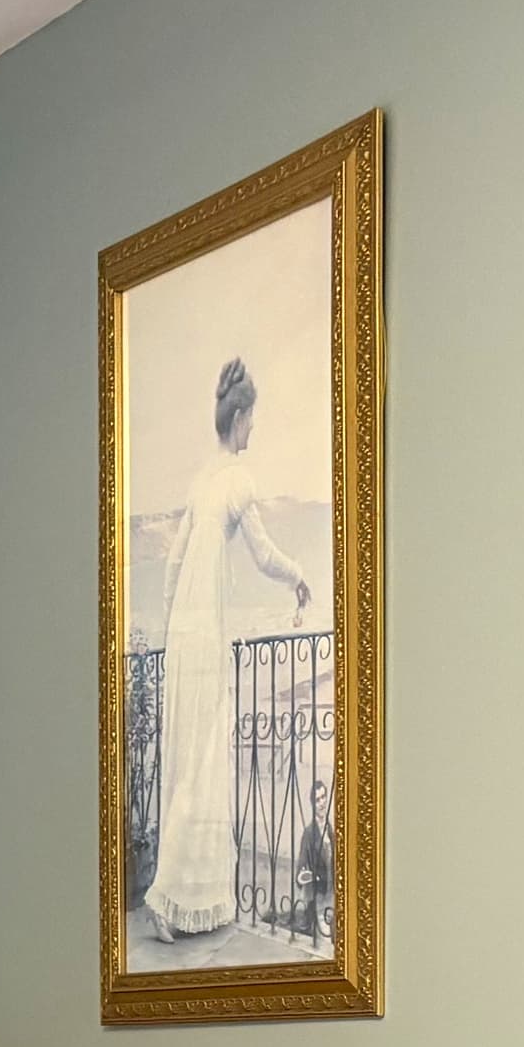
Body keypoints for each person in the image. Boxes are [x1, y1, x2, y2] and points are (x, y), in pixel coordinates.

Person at [143, 355, 316, 941]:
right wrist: (298, 576)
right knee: (202, 763)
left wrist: (173, 632)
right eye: (253, 420)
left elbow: (171, 565)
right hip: (207, 635)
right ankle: (173, 898)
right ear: (239, 417)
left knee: (187, 760)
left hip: (184, 636)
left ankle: (193, 897)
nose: (254, 430)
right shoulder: (237, 482)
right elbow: (264, 555)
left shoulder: (200, 482)